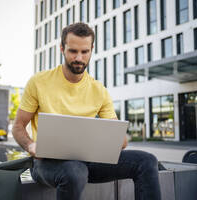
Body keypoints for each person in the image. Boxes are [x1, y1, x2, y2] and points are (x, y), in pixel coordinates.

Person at [12, 22, 161, 200]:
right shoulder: (38, 82)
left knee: (147, 161)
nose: (79, 58)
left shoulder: (99, 90)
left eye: (85, 52)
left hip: (89, 162)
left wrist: (115, 138)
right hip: (47, 164)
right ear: (62, 48)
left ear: (91, 50)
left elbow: (120, 141)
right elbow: (18, 126)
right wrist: (31, 146)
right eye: (73, 51)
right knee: (74, 171)